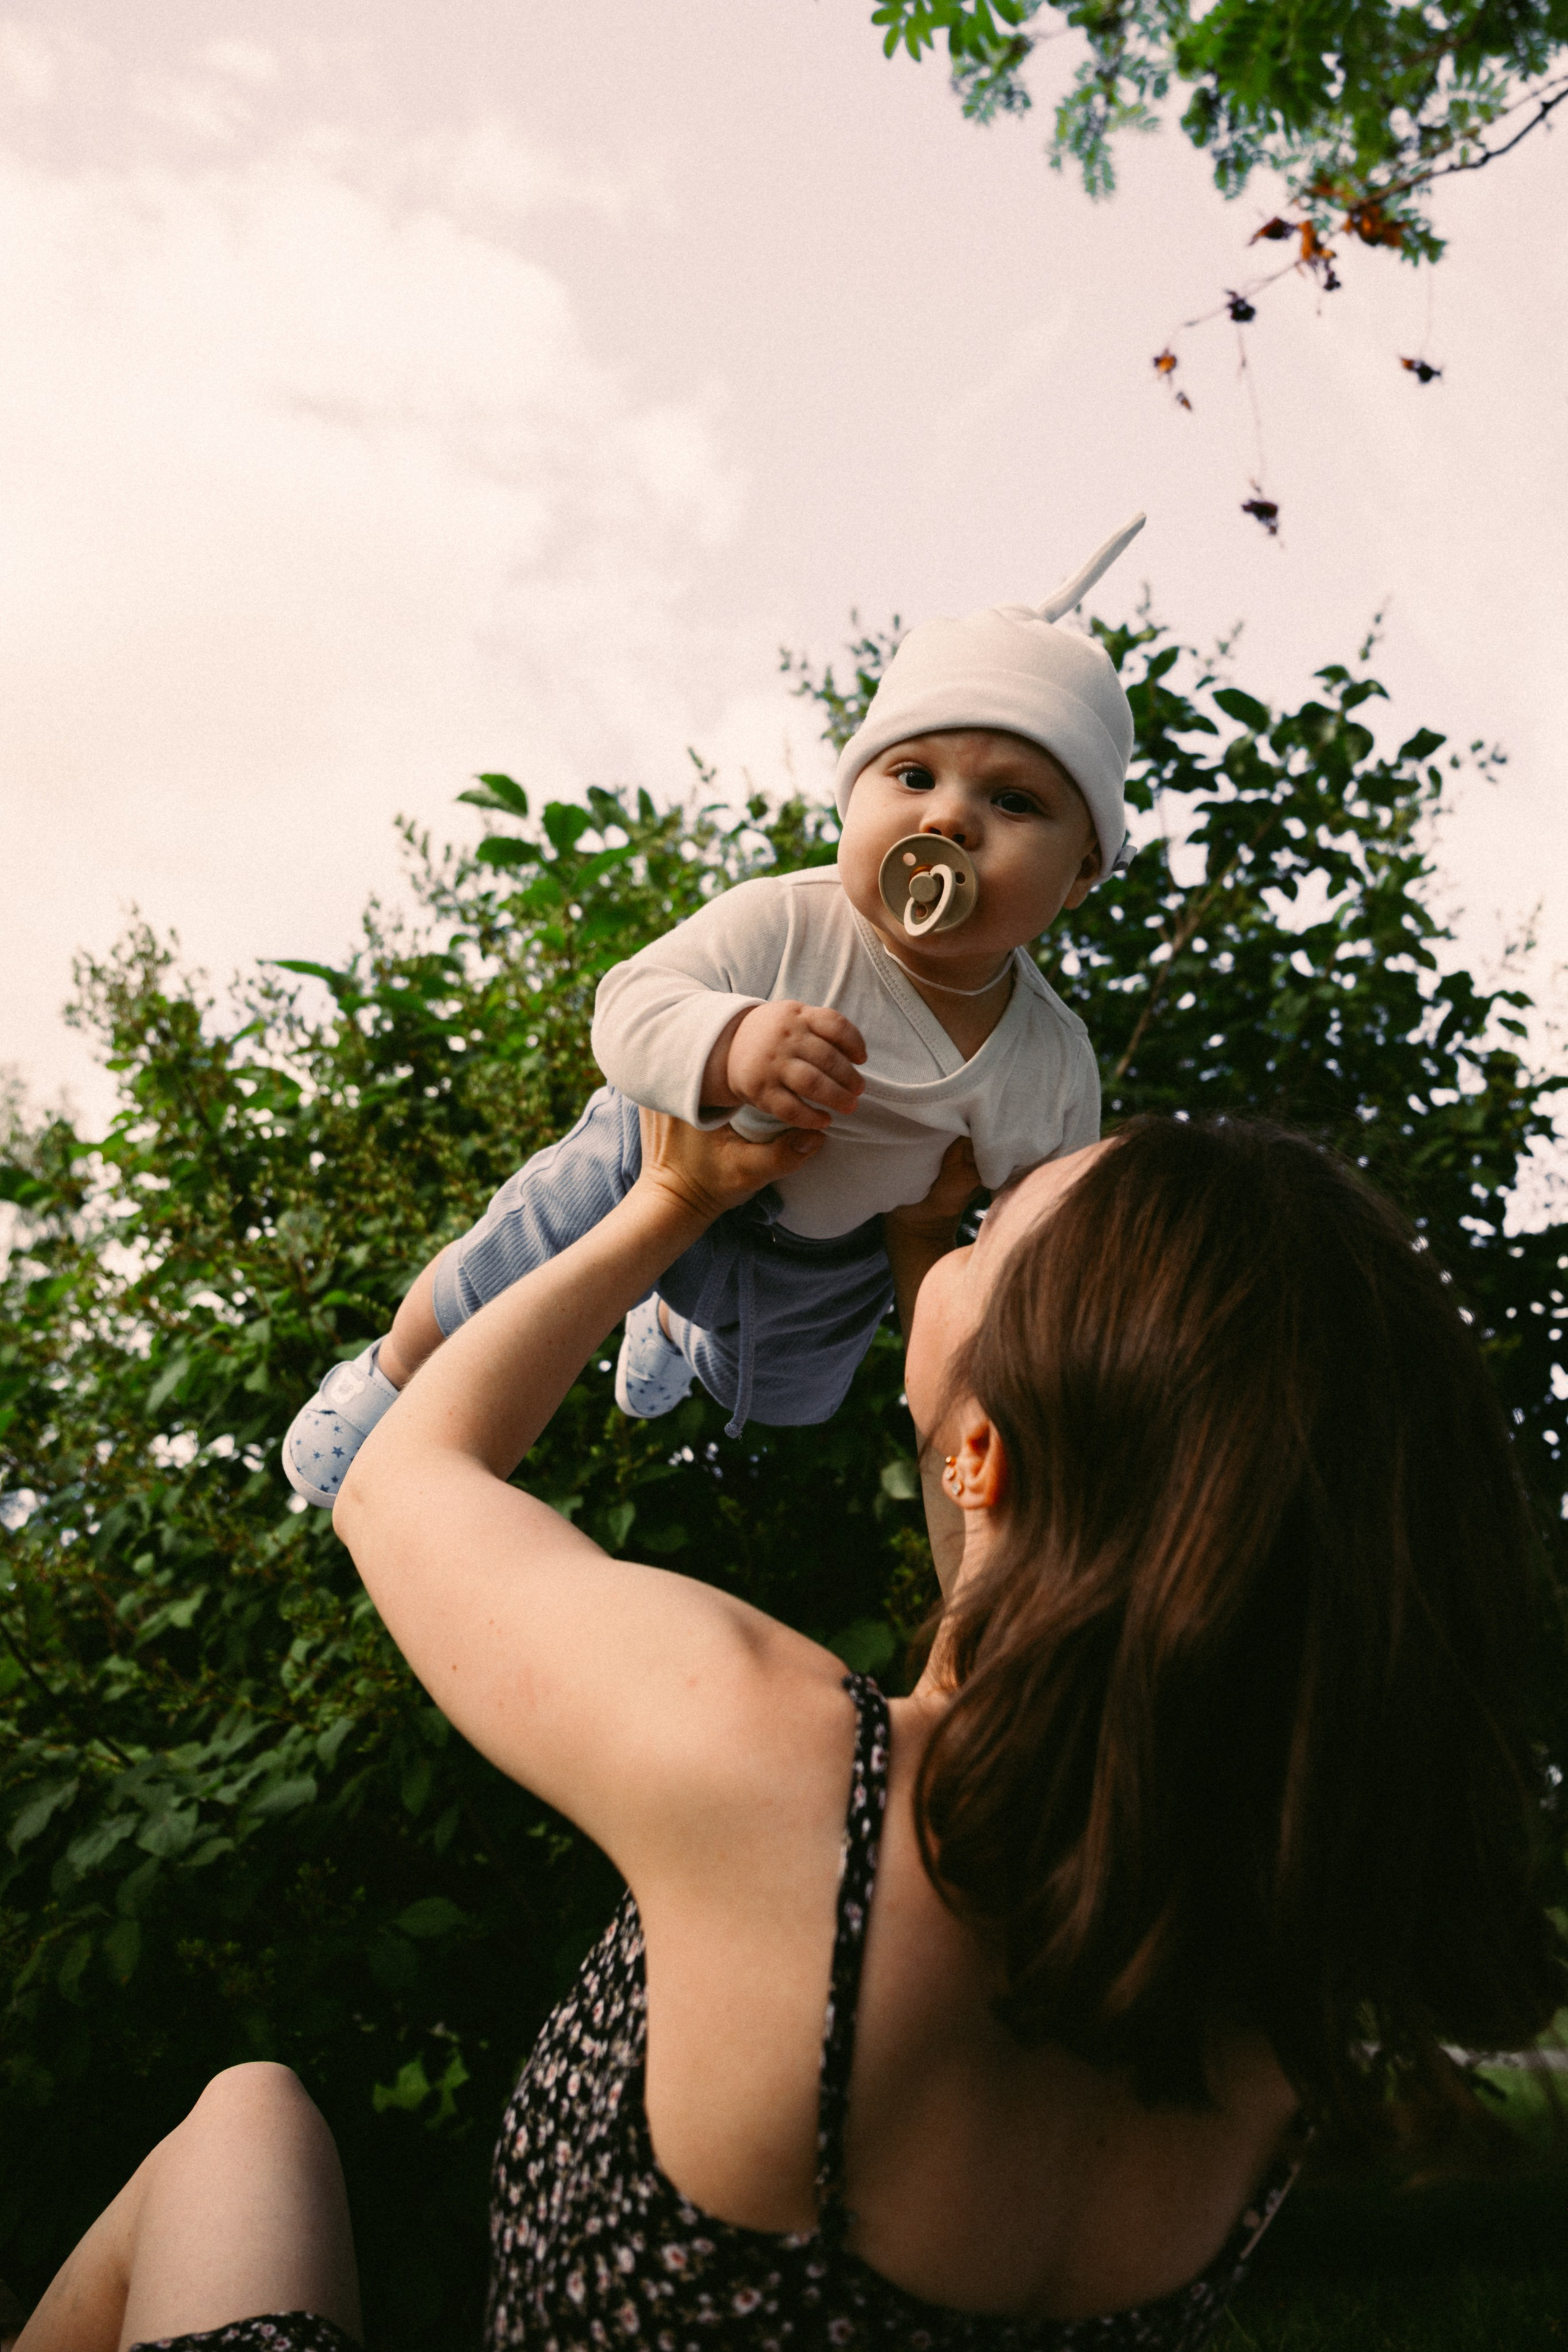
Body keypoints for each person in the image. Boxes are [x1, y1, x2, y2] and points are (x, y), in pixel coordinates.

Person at [21, 1110, 1561, 2351]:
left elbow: (400, 1483)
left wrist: (663, 1197)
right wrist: (939, 1293)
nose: (950, 1230)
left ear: (982, 1452)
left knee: (245, 2121)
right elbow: (1040, 1582)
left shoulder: (788, 1776)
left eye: (984, 1235)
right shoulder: (1257, 1984)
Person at [281, 518, 1148, 1506]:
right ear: (851, 795)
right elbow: (628, 1006)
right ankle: (390, 1375)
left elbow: (1033, 1242)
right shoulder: (785, 920)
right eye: (913, 777)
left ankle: (667, 1327)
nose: (947, 820)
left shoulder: (1047, 1062)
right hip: (660, 1144)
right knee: (513, 1261)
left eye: (1016, 802)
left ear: (1083, 871)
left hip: (832, 1256)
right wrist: (728, 1044)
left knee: (783, 1396)